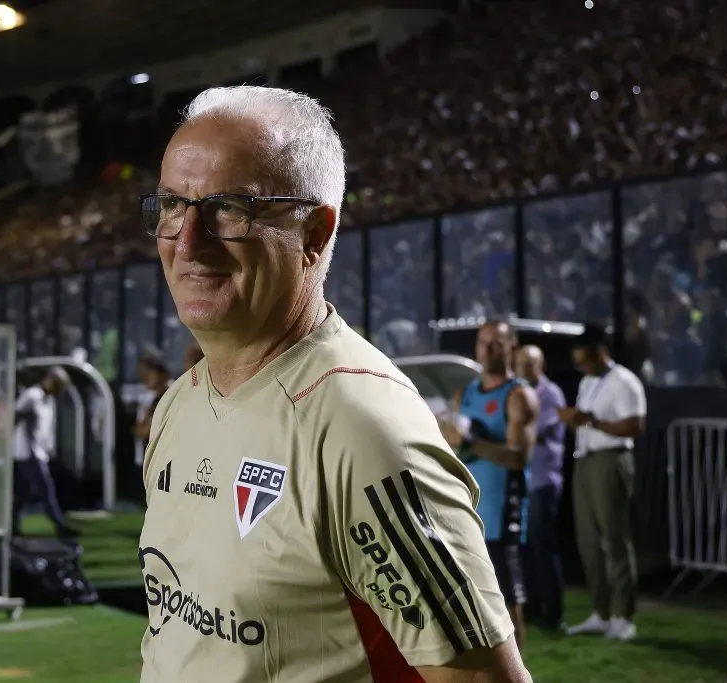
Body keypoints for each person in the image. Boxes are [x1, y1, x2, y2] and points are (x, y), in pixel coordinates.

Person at [138, 85, 531, 683]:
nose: (187, 241)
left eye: (229, 210)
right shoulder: (179, 403)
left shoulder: (359, 426)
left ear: (315, 234)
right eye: (172, 205)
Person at [439, 322, 539, 651]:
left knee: (508, 604)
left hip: (500, 513)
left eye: (496, 344)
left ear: (511, 347)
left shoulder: (519, 395)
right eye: (483, 342)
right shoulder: (464, 395)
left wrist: (470, 442)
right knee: (468, 604)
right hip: (466, 512)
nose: (487, 349)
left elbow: (518, 458)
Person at [559, 324, 646, 641]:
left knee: (614, 538)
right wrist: (574, 422)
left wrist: (591, 421)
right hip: (585, 459)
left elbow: (636, 426)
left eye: (585, 360)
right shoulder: (587, 381)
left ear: (601, 352)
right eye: (578, 362)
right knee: (589, 541)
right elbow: (585, 423)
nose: (581, 367)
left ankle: (624, 617)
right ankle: (601, 612)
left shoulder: (624, 381)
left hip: (611, 460)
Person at [514, 345, 567, 631]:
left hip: (544, 480)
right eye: (520, 364)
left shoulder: (551, 394)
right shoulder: (519, 393)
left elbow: (530, 431)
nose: (524, 369)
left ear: (541, 365)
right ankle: (534, 607)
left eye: (529, 364)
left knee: (544, 547)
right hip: (524, 480)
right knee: (526, 548)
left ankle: (554, 613)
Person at [12, 367, 80, 539]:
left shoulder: (48, 400)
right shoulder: (32, 396)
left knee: (21, 494)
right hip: (29, 454)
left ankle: (13, 527)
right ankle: (60, 526)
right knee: (45, 490)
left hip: (38, 453)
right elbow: (16, 415)